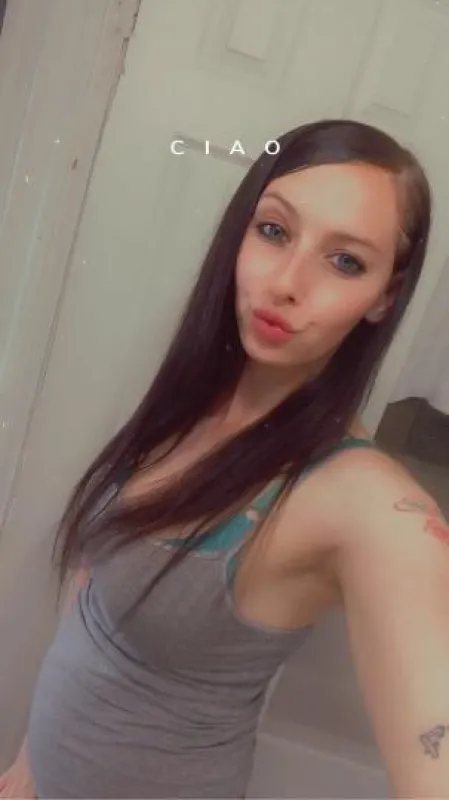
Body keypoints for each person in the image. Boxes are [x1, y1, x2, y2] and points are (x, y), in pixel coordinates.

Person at [1, 118, 449, 800]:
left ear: (385, 295)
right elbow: (95, 590)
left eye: (345, 262)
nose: (287, 282)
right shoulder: (192, 404)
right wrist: (30, 762)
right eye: (273, 231)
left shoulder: (360, 500)